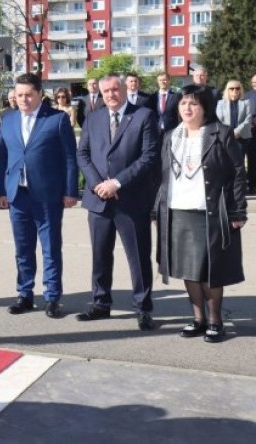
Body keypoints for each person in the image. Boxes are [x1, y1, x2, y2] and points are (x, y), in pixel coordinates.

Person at [153, 85, 247, 343]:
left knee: (210, 270)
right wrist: (157, 209)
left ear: (205, 107)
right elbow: (162, 177)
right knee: (188, 271)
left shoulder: (221, 134)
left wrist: (238, 210)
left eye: (193, 103)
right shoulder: (171, 135)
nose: (187, 108)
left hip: (210, 213)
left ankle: (216, 321)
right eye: (183, 103)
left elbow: (237, 173)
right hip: (177, 211)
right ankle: (198, 319)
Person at [76, 73, 159, 331]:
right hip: (98, 199)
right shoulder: (93, 117)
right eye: (106, 91)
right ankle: (100, 303)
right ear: (100, 94)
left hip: (131, 200)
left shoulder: (144, 116)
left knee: (138, 257)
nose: (111, 95)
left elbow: (149, 157)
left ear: (124, 89)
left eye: (115, 89)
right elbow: (83, 154)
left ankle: (143, 308)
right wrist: (98, 185)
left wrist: (117, 183)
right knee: (100, 256)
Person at [0, 73, 78, 318]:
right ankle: (25, 294)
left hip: (48, 195)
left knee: (50, 248)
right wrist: (1, 191)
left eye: (28, 95)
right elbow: (1, 157)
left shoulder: (57, 119)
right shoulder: (7, 120)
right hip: (17, 195)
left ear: (40, 94)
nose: (24, 99)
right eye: (19, 95)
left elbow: (69, 158)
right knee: (23, 248)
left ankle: (52, 297)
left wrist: (70, 191)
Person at [215, 81, 252, 172]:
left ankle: (239, 185)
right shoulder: (220, 103)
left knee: (239, 164)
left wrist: (236, 131)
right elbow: (219, 120)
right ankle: (228, 185)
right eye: (232, 88)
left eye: (237, 88)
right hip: (225, 137)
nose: (235, 90)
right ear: (227, 90)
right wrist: (228, 132)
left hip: (241, 137)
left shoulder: (246, 102)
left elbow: (248, 119)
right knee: (226, 163)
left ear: (240, 90)